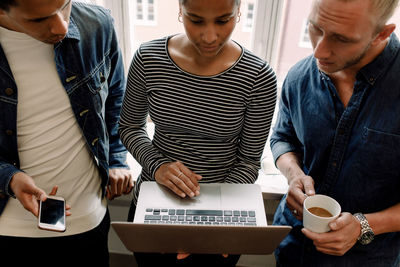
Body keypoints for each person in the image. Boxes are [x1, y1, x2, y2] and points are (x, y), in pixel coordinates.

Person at [118, 0, 277, 265]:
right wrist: (158, 166)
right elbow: (130, 127)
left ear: (239, 12)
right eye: (196, 20)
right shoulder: (148, 58)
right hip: (153, 207)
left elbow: (248, 162)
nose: (210, 36)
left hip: (222, 216)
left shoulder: (258, 77)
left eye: (224, 21)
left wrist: (210, 221)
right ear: (180, 10)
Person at [0, 0, 134, 266]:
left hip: (88, 220)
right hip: (9, 229)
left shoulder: (97, 24)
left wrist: (117, 156)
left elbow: (116, 98)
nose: (61, 26)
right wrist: (9, 178)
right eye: (39, 20)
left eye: (65, 5)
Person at [270, 0, 400, 266]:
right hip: (291, 248)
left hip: (368, 259)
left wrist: (364, 225)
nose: (318, 51)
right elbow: (282, 139)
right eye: (315, 27)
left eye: (341, 38)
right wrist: (294, 174)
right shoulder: (298, 77)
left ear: (382, 34)